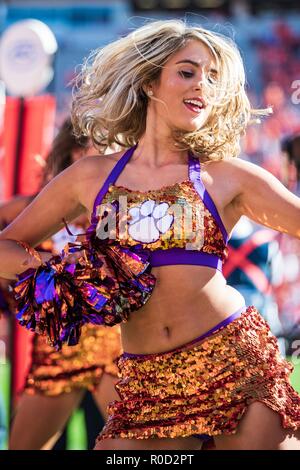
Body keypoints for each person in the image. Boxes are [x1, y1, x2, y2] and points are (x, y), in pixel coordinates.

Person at [0, 20, 300, 451]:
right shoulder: (90, 177)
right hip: (145, 386)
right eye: (187, 71)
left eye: (213, 77)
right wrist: (57, 271)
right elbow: (6, 245)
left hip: (234, 369)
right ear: (148, 82)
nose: (203, 85)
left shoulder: (227, 176)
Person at [0, 119, 121, 450]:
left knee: (135, 450)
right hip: (56, 349)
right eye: (97, 152)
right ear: (73, 153)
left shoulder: (119, 209)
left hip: (112, 349)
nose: (106, 161)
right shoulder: (35, 207)